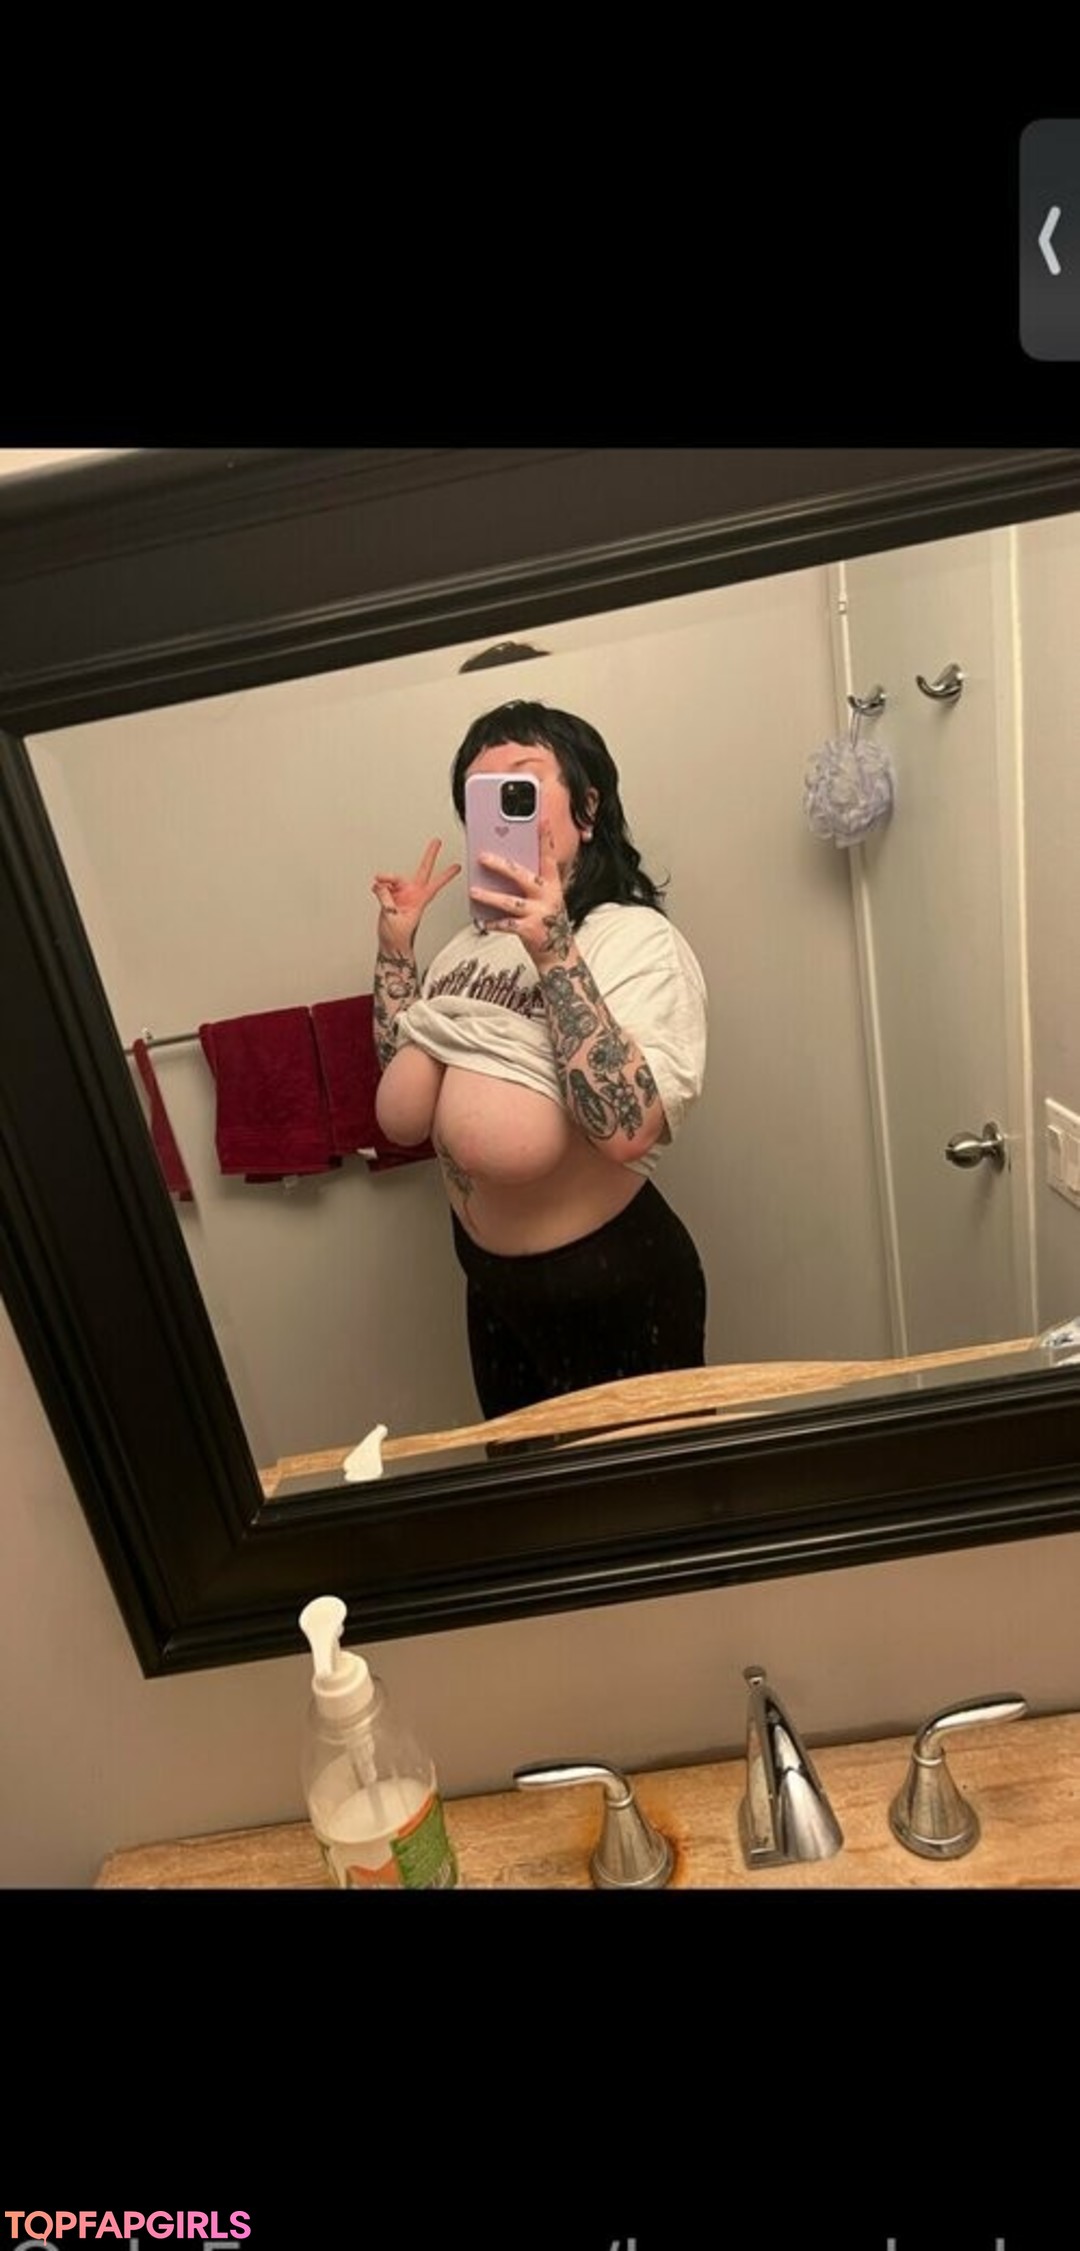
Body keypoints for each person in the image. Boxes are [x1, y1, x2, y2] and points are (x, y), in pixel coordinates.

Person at [371, 700, 708, 1420]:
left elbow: (629, 1128)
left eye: (520, 788)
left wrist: (553, 950)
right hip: (490, 1284)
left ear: (587, 808)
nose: (499, 810)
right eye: (482, 797)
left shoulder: (634, 941)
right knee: (525, 1478)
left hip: (609, 1286)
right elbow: (402, 1065)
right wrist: (397, 950)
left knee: (646, 1484)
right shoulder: (464, 949)